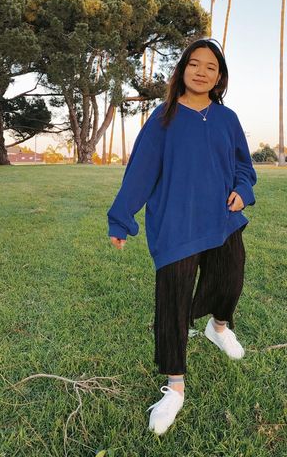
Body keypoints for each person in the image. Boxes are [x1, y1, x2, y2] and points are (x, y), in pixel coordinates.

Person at [107, 37, 257, 435]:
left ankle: (218, 327)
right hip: (175, 224)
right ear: (182, 70)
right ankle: (174, 386)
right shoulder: (164, 117)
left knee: (230, 279)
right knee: (172, 303)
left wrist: (244, 192)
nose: (201, 71)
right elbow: (139, 173)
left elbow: (245, 166)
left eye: (210, 67)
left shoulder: (228, 119)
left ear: (219, 76)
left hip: (223, 219)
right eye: (194, 64)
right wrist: (121, 218)